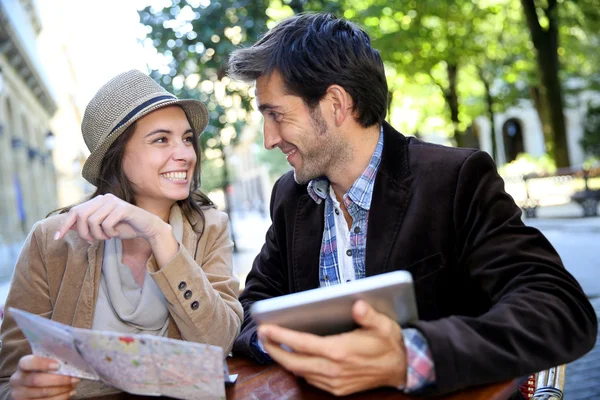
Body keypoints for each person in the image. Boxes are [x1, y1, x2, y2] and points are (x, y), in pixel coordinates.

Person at [228, 13, 597, 396]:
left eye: (276, 115)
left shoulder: (455, 180)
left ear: (336, 104)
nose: (270, 138)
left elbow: (560, 309)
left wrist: (408, 356)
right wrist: (288, 343)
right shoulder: (291, 196)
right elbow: (252, 306)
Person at [0, 70, 243, 400]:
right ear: (116, 157)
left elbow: (219, 343)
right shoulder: (52, 240)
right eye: (161, 139)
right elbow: (9, 375)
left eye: (187, 138)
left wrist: (159, 235)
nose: (186, 154)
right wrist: (21, 391)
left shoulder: (209, 227)